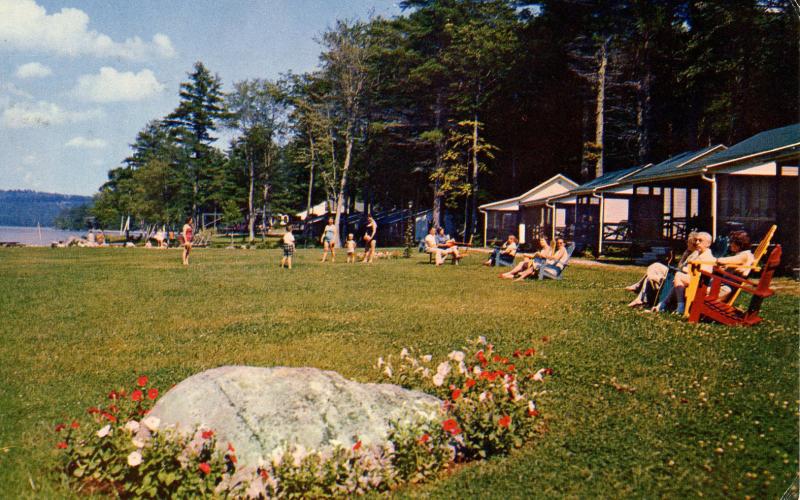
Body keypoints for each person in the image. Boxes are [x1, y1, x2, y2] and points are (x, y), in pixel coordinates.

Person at [626, 231, 699, 308]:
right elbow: (680, 265)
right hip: (676, 273)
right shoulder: (690, 253)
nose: (686, 243)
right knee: (655, 266)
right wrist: (686, 253)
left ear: (692, 243)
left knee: (653, 271)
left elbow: (686, 269)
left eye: (688, 241)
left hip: (678, 276)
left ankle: (639, 292)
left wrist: (680, 267)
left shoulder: (696, 254)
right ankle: (639, 295)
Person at [657, 231, 714, 314]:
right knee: (678, 283)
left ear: (708, 244)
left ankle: (680, 306)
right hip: (695, 280)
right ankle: (663, 304)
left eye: (700, 240)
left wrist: (685, 270)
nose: (697, 242)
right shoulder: (699, 254)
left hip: (702, 284)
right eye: (696, 240)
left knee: (678, 276)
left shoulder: (708, 257)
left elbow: (704, 274)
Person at [714, 230, 754, 300]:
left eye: (731, 242)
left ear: (739, 244)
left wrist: (716, 260)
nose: (730, 244)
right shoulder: (744, 254)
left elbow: (721, 260)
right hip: (725, 284)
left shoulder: (744, 255)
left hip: (726, 288)